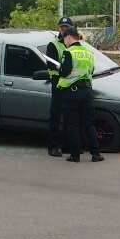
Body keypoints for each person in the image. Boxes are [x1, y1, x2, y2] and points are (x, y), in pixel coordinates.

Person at [57, 28, 103, 163]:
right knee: (89, 124)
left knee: (73, 124)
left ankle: (75, 155)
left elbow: (64, 72)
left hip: (73, 92)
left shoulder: (69, 52)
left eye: (64, 39)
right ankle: (96, 154)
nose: (64, 42)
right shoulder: (88, 53)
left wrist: (59, 68)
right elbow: (91, 70)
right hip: (87, 91)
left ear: (69, 37)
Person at [45, 18, 73, 157]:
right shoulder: (53, 44)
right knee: (56, 115)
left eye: (66, 27)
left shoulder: (75, 44)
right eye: (62, 27)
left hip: (71, 83)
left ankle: (67, 145)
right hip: (58, 83)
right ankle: (53, 146)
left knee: (70, 116)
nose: (64, 29)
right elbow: (51, 65)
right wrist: (65, 69)